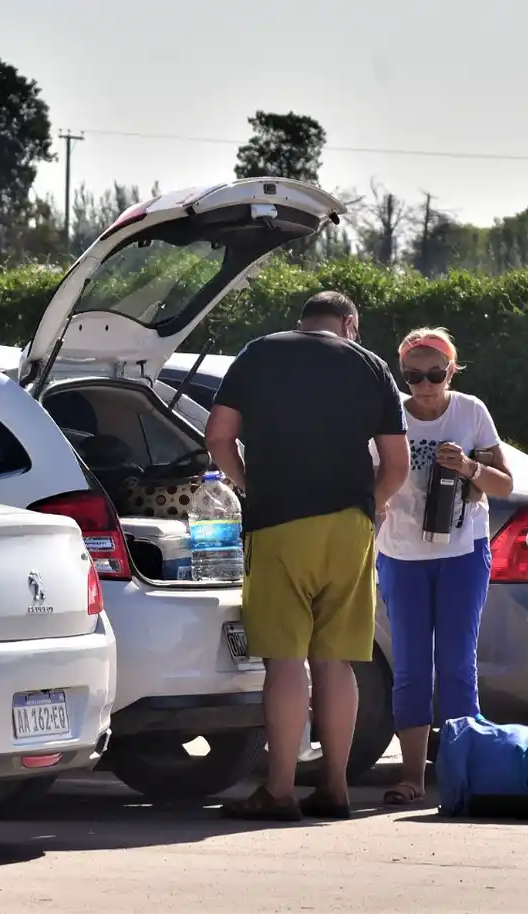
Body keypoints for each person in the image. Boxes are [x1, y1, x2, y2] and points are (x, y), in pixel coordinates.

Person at [204, 290, 409, 821]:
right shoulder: (370, 365)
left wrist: (247, 484)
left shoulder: (259, 353)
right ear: (348, 323)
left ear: (303, 320)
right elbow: (397, 463)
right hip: (350, 526)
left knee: (286, 659)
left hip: (279, 523)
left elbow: (218, 437)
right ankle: (336, 788)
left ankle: (278, 790)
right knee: (335, 660)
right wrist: (375, 505)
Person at [373, 327, 514, 806]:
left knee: (456, 666)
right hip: (402, 554)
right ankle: (411, 776)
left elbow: (503, 483)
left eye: (435, 374)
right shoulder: (389, 411)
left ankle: (460, 773)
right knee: (411, 666)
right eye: (414, 376)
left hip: (462, 553)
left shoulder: (470, 410)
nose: (425, 386)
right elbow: (366, 474)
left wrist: (471, 469)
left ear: (451, 371)